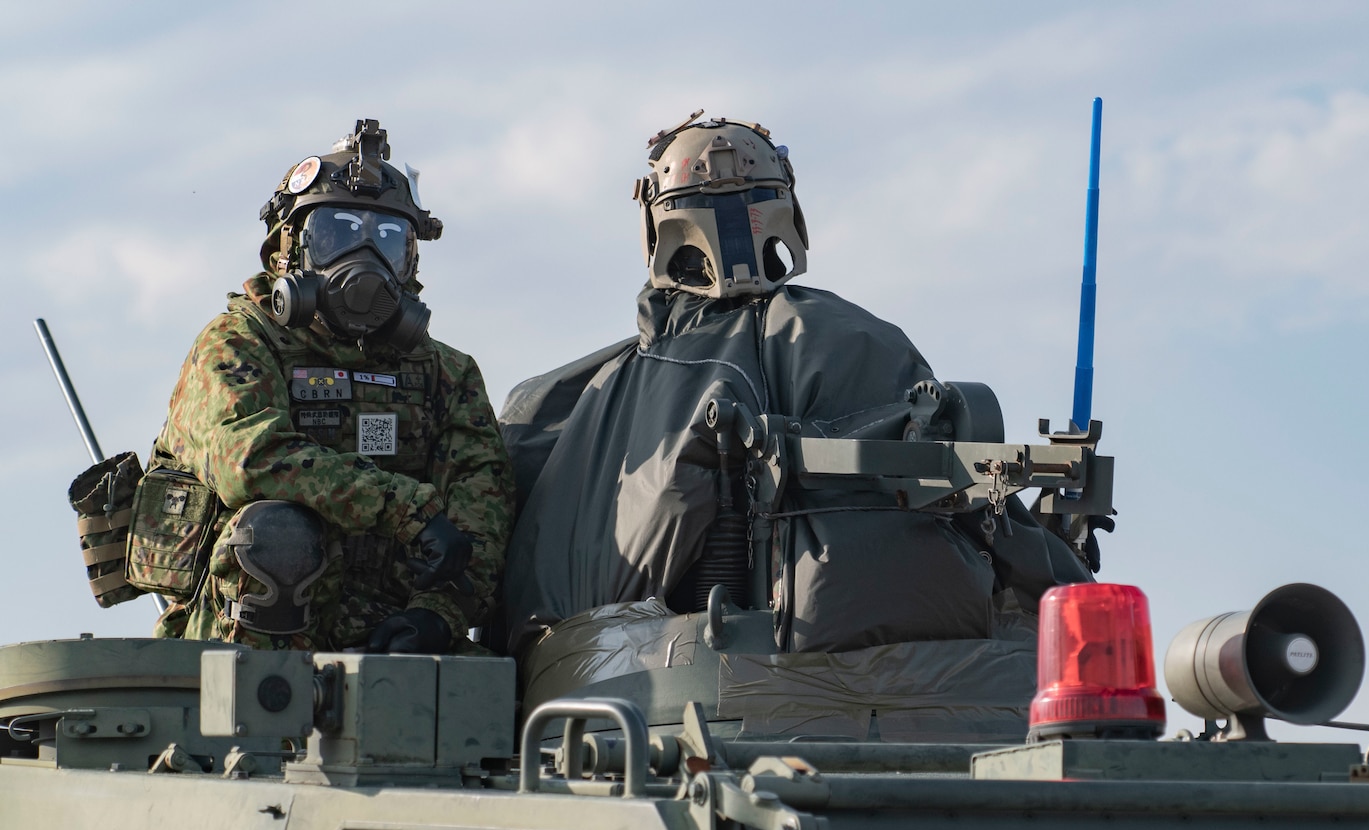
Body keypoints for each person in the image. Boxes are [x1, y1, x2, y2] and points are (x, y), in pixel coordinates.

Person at [499, 114, 1090, 655]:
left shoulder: (584, 398)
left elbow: (551, 602)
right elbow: (990, 518)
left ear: (659, 225)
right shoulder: (863, 338)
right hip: (931, 679)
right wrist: (1067, 575)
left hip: (679, 693)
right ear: (785, 206)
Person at [132, 119, 511, 653]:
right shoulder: (237, 344)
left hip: (390, 641)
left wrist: (440, 613)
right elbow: (250, 460)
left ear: (411, 261)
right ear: (288, 250)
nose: (366, 258)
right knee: (276, 532)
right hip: (243, 649)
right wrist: (405, 509)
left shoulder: (447, 374)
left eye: (387, 239)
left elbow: (482, 508)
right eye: (337, 233)